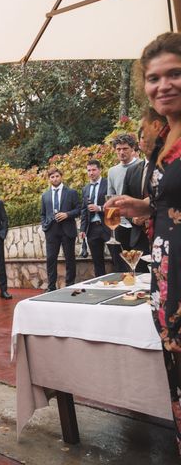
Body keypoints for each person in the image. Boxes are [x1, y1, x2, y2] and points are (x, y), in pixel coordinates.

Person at [108, 32, 181, 456]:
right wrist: (144, 204)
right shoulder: (161, 139)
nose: (163, 85)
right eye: (154, 78)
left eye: (175, 74)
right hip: (168, 279)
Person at [122, 108, 167, 273]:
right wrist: (133, 218)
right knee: (140, 278)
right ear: (139, 144)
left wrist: (148, 212)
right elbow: (125, 200)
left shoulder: (167, 167)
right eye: (143, 138)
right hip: (138, 235)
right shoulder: (132, 171)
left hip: (163, 233)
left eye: (151, 137)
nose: (147, 141)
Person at [40, 167, 80, 291]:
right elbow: (43, 214)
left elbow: (79, 209)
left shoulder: (71, 192)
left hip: (67, 229)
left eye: (57, 176)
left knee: (70, 259)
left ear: (61, 176)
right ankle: (51, 287)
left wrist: (67, 214)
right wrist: (44, 225)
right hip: (51, 231)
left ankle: (70, 285)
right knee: (51, 259)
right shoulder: (45, 195)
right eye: (52, 177)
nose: (55, 178)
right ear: (49, 179)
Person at [107, 133, 140, 271]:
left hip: (139, 221)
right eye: (118, 149)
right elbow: (110, 198)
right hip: (121, 223)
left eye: (125, 148)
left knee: (141, 260)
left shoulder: (142, 165)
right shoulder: (112, 171)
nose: (121, 152)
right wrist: (112, 225)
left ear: (132, 149)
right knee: (124, 263)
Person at [79, 159, 110, 277]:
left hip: (107, 226)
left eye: (94, 170)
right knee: (97, 262)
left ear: (100, 170)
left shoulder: (108, 184)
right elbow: (83, 210)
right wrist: (82, 229)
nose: (91, 173)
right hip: (92, 229)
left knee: (116, 257)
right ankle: (101, 287)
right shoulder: (85, 189)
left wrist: (100, 208)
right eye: (89, 170)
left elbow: (114, 204)